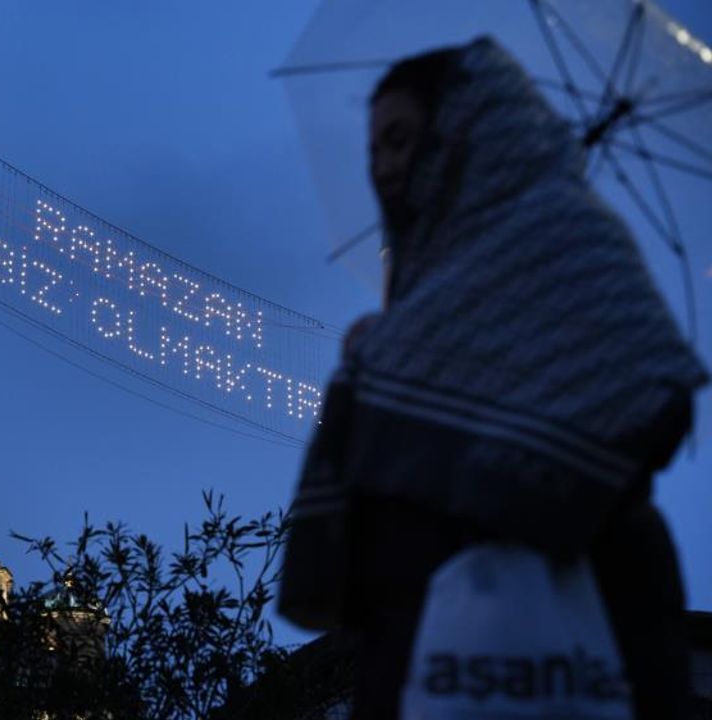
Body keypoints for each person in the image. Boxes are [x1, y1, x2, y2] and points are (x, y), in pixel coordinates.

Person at [279, 38, 708, 718]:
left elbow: (646, 392)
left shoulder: (583, 248)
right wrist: (384, 363)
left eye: (399, 139)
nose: (383, 166)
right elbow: (344, 568)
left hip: (599, 613)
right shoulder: (412, 308)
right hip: (415, 646)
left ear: (462, 133)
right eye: (373, 150)